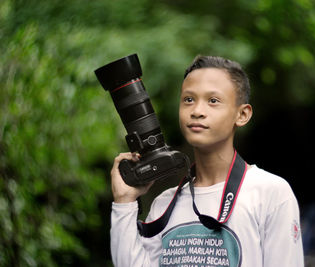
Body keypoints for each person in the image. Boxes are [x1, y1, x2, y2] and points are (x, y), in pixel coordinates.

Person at [110, 55, 304, 266]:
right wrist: (124, 202)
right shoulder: (164, 205)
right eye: (188, 100)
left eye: (213, 101)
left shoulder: (270, 194)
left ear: (242, 114)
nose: (197, 112)